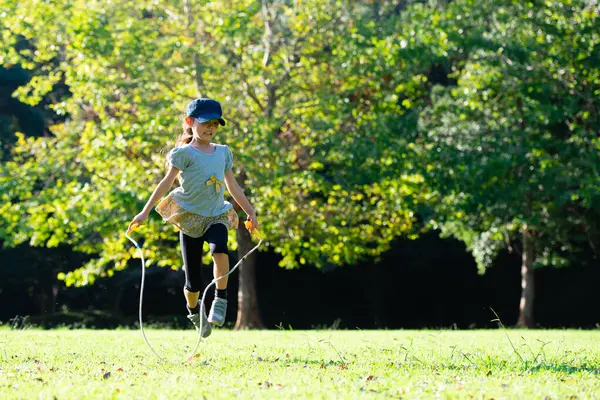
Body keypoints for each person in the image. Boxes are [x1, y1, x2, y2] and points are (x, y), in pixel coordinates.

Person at [127, 98, 258, 338]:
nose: (211, 128)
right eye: (206, 123)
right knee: (193, 282)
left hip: (216, 213)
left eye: (216, 124)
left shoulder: (223, 153)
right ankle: (193, 309)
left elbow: (233, 186)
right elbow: (165, 183)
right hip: (189, 218)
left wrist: (250, 210)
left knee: (220, 250)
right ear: (190, 122)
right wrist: (144, 211)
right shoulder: (184, 154)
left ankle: (221, 297)